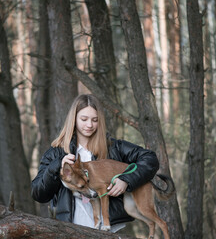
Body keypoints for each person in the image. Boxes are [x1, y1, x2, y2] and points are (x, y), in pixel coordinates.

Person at [31, 94, 159, 231]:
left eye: (95, 120)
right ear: (73, 119)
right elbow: (38, 194)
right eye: (84, 119)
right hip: (72, 227)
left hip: (110, 229)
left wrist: (127, 179)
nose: (90, 125)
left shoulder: (113, 147)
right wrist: (55, 167)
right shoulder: (56, 153)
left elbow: (150, 159)